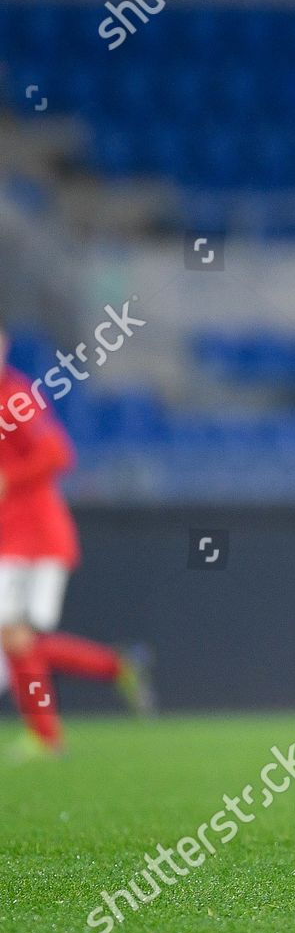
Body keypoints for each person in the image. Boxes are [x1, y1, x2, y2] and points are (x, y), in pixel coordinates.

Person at [0, 323, 153, 761]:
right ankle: (115, 666)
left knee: (15, 637)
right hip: (13, 535)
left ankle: (48, 736)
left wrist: (10, 478)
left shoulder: (14, 396)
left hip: (35, 536)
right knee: (18, 639)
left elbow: (57, 453)